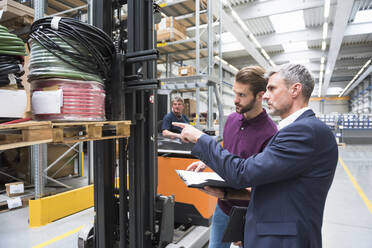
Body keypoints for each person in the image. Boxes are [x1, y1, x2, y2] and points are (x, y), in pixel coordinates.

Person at [173, 64, 338, 248]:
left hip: (282, 240)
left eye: (272, 88)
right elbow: (274, 187)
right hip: (266, 229)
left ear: (295, 89)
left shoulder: (304, 132)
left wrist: (200, 138)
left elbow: (244, 173)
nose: (266, 95)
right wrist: (226, 193)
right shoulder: (294, 131)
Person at [186, 66, 277, 248]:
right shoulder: (232, 120)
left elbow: (265, 189)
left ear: (260, 95)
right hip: (223, 207)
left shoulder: (270, 134)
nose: (235, 100)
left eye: (242, 95)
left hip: (249, 213)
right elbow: (226, 153)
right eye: (235, 93)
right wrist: (206, 161)